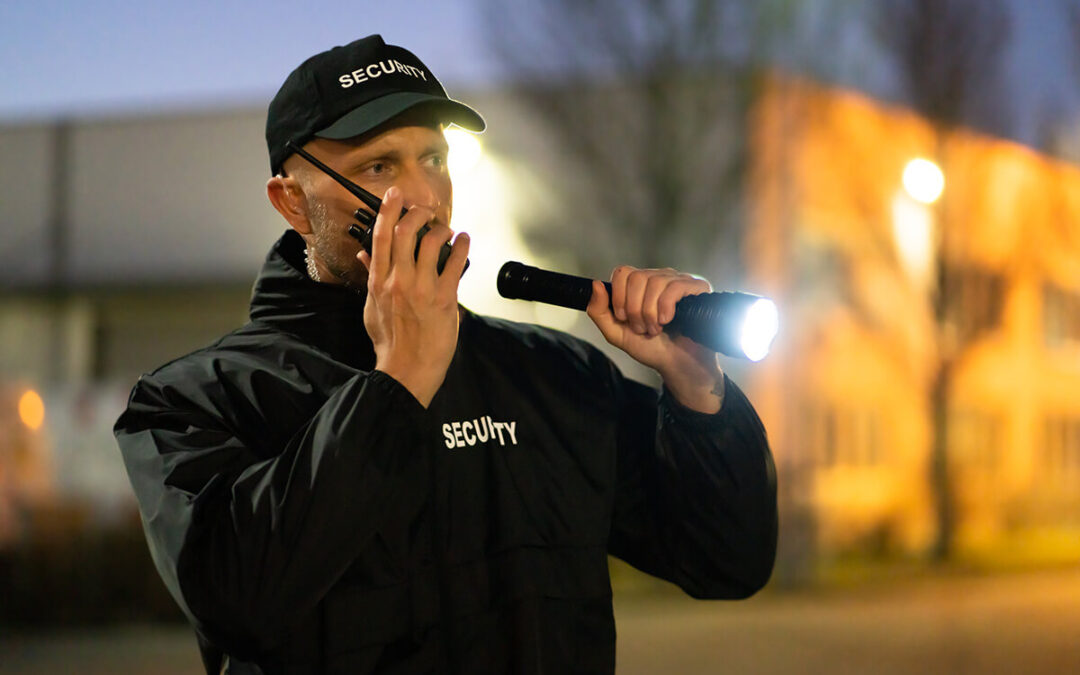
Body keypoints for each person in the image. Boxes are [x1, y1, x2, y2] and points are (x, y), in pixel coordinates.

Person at [115, 34, 777, 675]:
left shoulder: (553, 375)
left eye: (433, 158)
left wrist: (697, 392)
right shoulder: (197, 399)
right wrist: (397, 383)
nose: (425, 196)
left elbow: (727, 561)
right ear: (292, 200)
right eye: (378, 166)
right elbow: (238, 600)